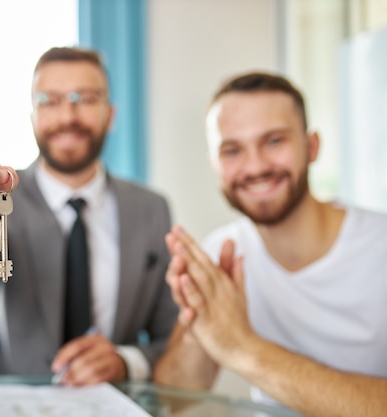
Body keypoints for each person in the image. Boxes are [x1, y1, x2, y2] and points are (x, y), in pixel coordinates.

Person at [0, 46, 178, 386]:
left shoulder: (152, 209)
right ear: (32, 116)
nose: (67, 116)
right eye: (49, 100)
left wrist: (126, 361)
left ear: (110, 114)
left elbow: (174, 335)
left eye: (86, 98)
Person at [153, 72, 387, 416]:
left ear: (312, 147)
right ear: (215, 165)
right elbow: (174, 399)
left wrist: (243, 348)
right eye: (232, 150)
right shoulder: (223, 251)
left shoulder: (379, 246)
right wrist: (200, 321)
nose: (256, 166)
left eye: (274, 141)